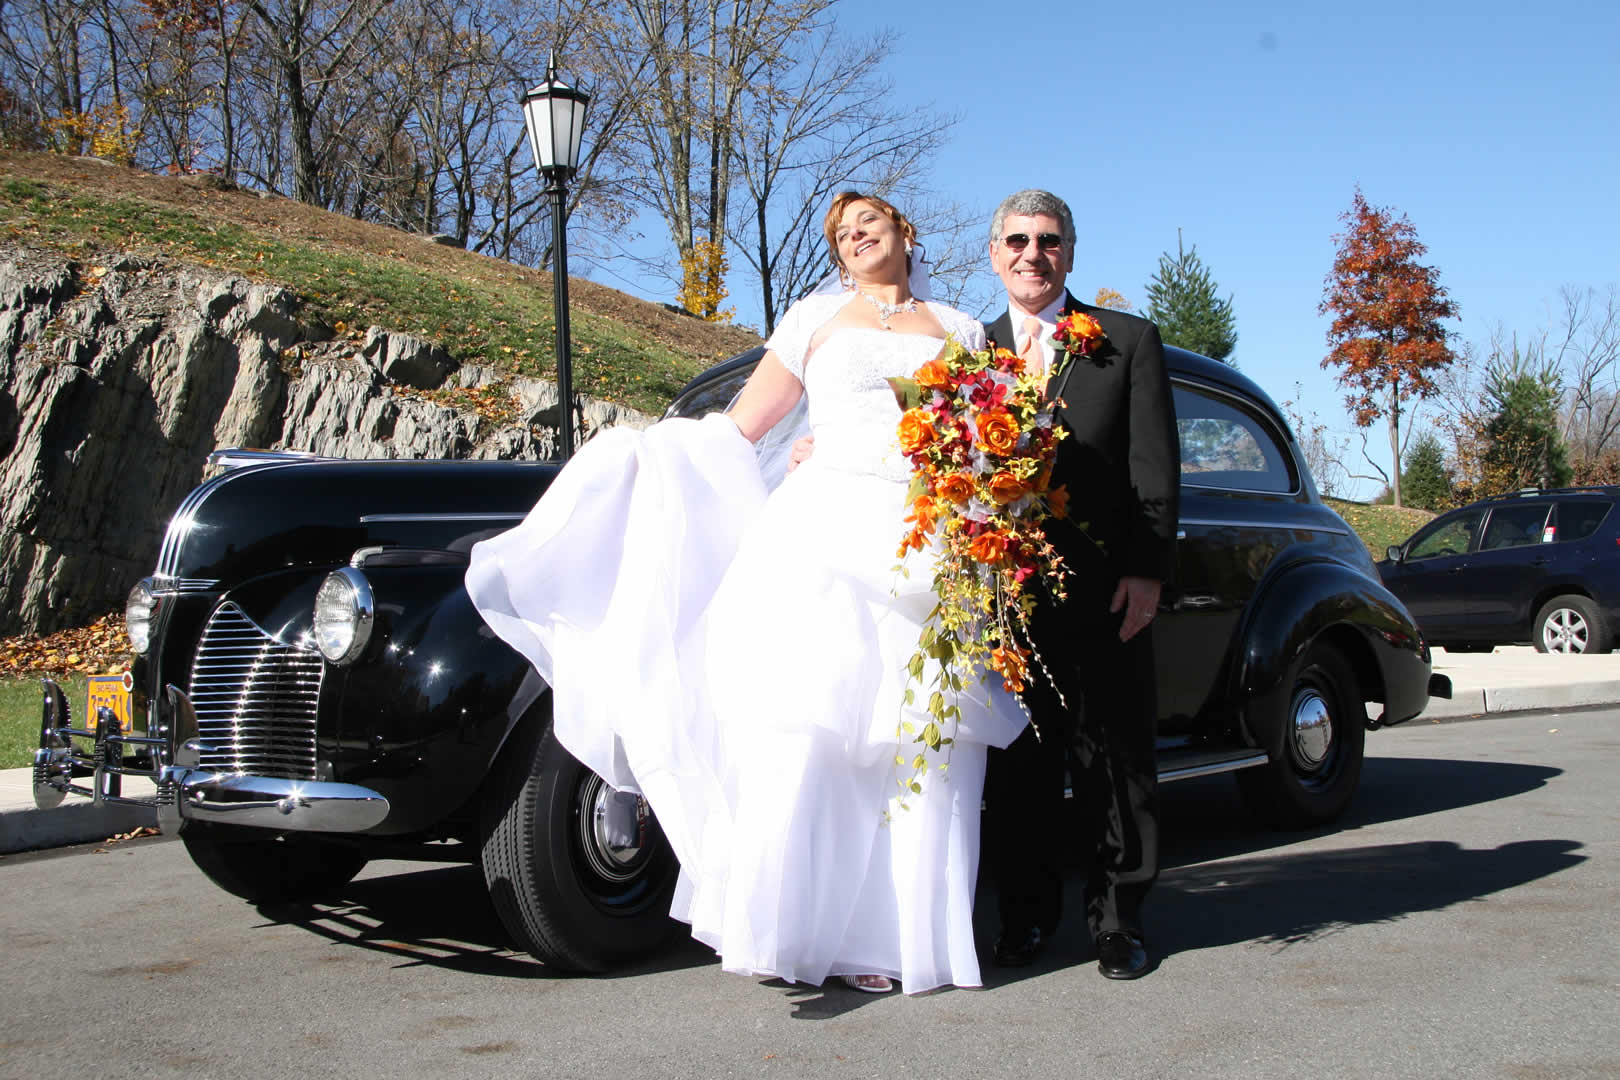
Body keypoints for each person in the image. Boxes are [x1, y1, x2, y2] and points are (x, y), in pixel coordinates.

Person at [466, 192, 1026, 995]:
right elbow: (744, 425)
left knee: (915, 739)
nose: (858, 234)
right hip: (822, 529)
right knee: (808, 731)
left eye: (872, 221)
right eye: (844, 231)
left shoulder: (962, 330)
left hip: (921, 536)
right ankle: (794, 932)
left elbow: (977, 445)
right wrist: (651, 452)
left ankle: (899, 942)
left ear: (906, 231)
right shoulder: (812, 319)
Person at [980, 189, 1179, 980]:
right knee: (1019, 766)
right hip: (1002, 599)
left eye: (1049, 241)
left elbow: (1154, 469)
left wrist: (1147, 570)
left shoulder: (1124, 342)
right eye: (1019, 241)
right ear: (995, 254)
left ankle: (1119, 921)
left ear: (1070, 253)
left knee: (1115, 760)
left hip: (1104, 591)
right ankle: (1026, 920)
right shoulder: (968, 349)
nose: (1034, 254)